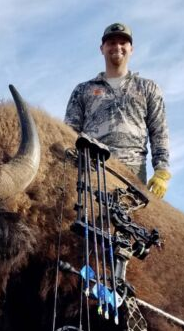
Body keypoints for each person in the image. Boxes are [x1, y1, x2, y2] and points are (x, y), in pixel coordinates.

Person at [64, 22, 171, 199]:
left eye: (123, 43)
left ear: (131, 49)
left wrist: (162, 171)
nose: (117, 47)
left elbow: (158, 130)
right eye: (111, 43)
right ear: (102, 48)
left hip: (133, 171)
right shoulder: (83, 90)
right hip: (91, 168)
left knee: (131, 223)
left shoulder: (148, 88)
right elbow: (69, 132)